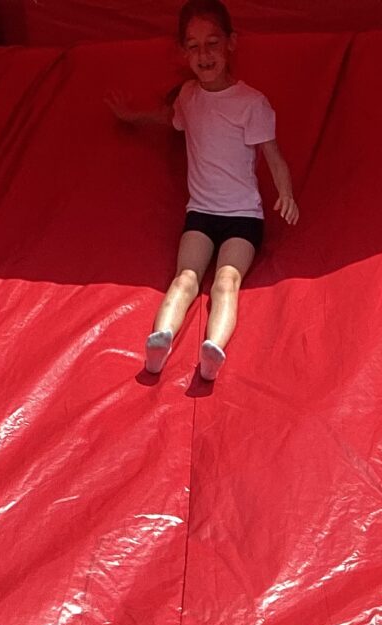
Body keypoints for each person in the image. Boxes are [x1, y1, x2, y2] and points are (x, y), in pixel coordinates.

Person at [109, 0, 298, 382]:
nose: (204, 55)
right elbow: (170, 119)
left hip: (243, 217)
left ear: (231, 43)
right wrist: (132, 117)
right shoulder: (188, 96)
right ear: (183, 52)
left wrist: (287, 193)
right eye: (193, 46)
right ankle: (160, 341)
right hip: (200, 213)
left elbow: (273, 154)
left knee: (227, 280)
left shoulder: (251, 102)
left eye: (212, 43)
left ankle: (213, 349)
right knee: (185, 278)